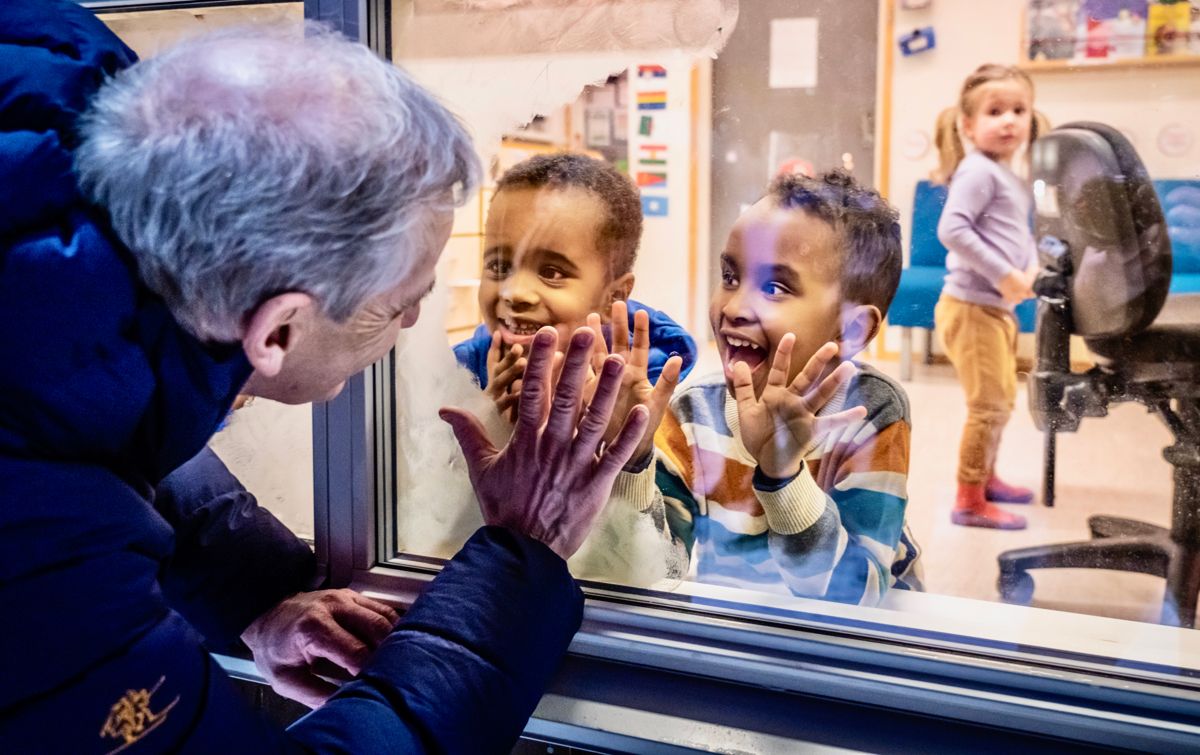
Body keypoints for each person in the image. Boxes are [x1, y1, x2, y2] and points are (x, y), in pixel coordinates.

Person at [0, 3, 650, 752]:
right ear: (277, 331)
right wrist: (520, 560)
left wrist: (251, 591)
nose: (413, 323)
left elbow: (60, 405)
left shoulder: (52, 68)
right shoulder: (40, 576)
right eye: (397, 304)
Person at [623, 171, 923, 605]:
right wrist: (630, 457)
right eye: (729, 276)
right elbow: (650, 573)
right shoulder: (692, 414)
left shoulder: (869, 412)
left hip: (863, 645)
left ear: (852, 329)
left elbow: (857, 597)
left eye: (773, 287)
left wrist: (782, 476)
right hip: (743, 631)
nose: (735, 307)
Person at [453, 152, 696, 411]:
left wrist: (612, 432)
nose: (515, 292)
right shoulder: (459, 371)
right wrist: (484, 420)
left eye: (551, 272)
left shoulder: (649, 380)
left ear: (612, 297)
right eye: (499, 266)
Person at [933, 64, 1040, 531]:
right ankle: (969, 498)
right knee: (989, 405)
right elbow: (952, 230)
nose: (1009, 120)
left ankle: (987, 478)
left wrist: (1029, 268)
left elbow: (1022, 234)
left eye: (1019, 110)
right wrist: (1003, 275)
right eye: (995, 111)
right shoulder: (977, 170)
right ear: (968, 125)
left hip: (995, 307)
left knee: (1001, 400)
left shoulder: (1007, 175)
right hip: (973, 307)